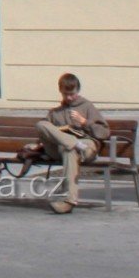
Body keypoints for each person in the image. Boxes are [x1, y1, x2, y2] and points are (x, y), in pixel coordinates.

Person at [35, 73, 111, 214]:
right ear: (60, 91)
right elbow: (44, 134)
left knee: (69, 150)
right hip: (62, 148)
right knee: (41, 124)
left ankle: (68, 201)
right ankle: (73, 143)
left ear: (78, 90)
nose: (69, 97)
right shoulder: (55, 112)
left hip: (86, 148)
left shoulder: (87, 106)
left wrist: (84, 122)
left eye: (72, 94)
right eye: (66, 94)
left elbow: (104, 133)